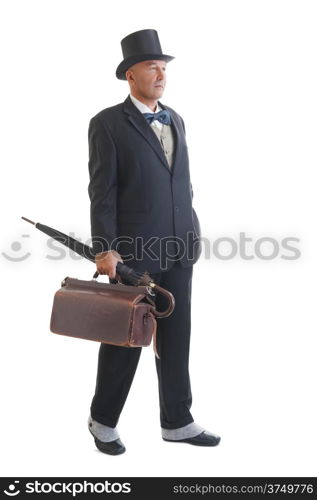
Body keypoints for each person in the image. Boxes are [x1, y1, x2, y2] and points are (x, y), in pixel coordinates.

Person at [87, 29, 221, 455]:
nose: (161, 73)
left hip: (180, 248)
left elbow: (180, 183)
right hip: (132, 255)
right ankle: (102, 420)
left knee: (177, 335)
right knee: (126, 339)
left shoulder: (175, 118)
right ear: (130, 74)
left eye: (164, 66)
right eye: (151, 66)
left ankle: (177, 421)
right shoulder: (107, 123)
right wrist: (105, 247)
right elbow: (102, 192)